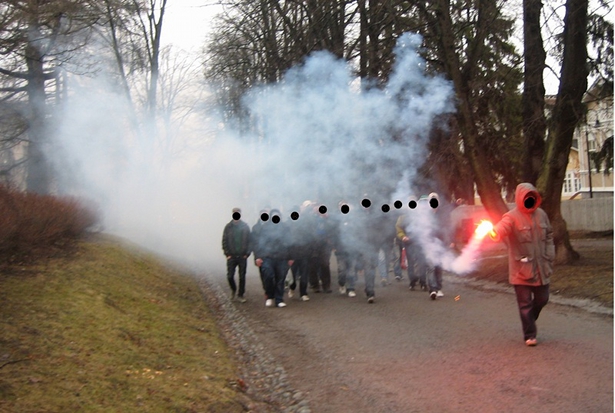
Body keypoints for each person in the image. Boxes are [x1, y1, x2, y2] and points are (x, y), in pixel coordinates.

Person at [490, 183, 554, 346]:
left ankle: (529, 320)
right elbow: (502, 227)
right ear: (520, 199)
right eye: (526, 198)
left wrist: (550, 254)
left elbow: (549, 235)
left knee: (542, 299)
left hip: (541, 268)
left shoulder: (542, 214)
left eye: (532, 197)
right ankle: (529, 335)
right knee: (525, 304)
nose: (529, 200)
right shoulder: (511, 216)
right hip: (521, 269)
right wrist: (495, 232)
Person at [251, 208, 294, 308]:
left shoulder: (285, 228)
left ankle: (279, 299)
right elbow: (258, 244)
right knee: (268, 276)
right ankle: (269, 296)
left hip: (282, 257)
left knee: (280, 279)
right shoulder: (264, 228)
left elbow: (290, 243)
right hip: (267, 257)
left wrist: (291, 257)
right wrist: (258, 257)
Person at [395, 196, 426, 291]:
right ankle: (412, 281)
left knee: (421, 262)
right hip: (408, 242)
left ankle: (423, 282)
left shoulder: (421, 215)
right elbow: (398, 228)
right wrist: (403, 236)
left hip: (419, 242)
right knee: (411, 262)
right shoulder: (403, 217)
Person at [221, 207, 251, 303]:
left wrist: (247, 253)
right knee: (230, 276)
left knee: (242, 276)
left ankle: (240, 294)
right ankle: (233, 289)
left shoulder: (245, 227)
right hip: (231, 256)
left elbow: (250, 241)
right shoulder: (228, 227)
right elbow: (224, 240)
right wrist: (227, 253)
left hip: (242, 256)